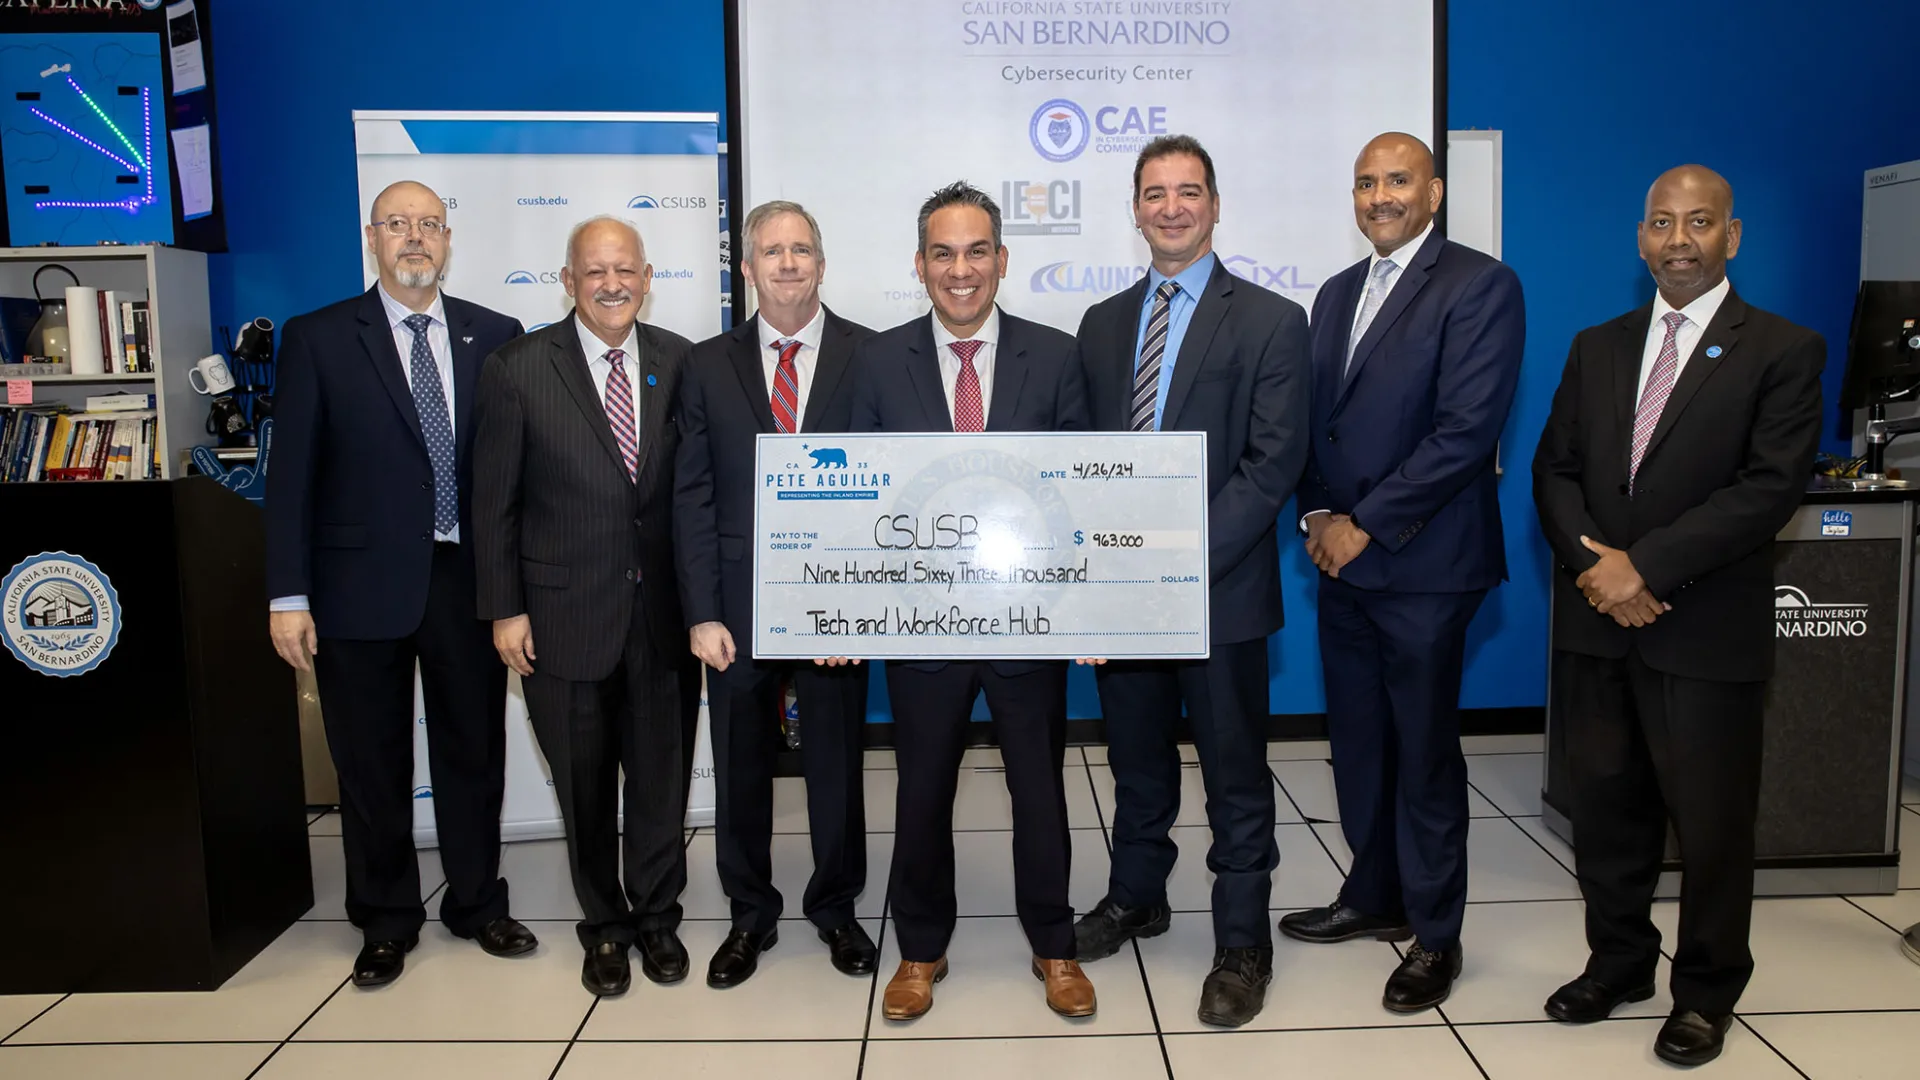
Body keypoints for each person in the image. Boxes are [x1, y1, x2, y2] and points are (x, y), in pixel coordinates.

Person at [1532, 165, 1822, 1067]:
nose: (1680, 239)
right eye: (1662, 222)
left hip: (1702, 628)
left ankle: (1704, 992)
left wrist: (1643, 569)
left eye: (1700, 222)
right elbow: (1555, 472)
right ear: (1641, 238)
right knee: (1607, 812)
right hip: (1596, 624)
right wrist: (1597, 571)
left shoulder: (1782, 349)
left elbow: (1767, 490)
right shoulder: (1598, 346)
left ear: (1732, 237)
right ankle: (1618, 963)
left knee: (1711, 825)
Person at [264, 180, 536, 988]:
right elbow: (291, 480)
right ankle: (385, 918)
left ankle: (478, 904)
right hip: (356, 589)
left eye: (428, 225)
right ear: (372, 238)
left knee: (472, 754)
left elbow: (512, 474)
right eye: (398, 225)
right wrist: (287, 595)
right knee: (370, 765)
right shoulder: (317, 338)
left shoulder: (497, 335)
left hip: (467, 583)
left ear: (447, 239)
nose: (414, 238)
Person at [1069, 135, 1310, 1028]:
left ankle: (1243, 942)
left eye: (1189, 192)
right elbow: (1082, 463)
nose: (1171, 207)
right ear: (1134, 208)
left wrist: (1171, 567)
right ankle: (1139, 895)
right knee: (1135, 765)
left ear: (1215, 205)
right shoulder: (1100, 325)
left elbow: (1272, 463)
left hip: (1221, 592)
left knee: (1236, 777)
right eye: (1155, 192)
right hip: (1121, 599)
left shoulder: (1273, 320)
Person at [1285, 132, 1526, 1015]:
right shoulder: (1336, 292)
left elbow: (1465, 433)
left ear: (1433, 192)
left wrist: (1368, 525)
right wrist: (1316, 514)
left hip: (1424, 564)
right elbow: (1317, 424)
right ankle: (1373, 893)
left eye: (1398, 180)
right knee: (1357, 743)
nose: (1380, 195)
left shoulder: (1480, 285)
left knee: (1422, 754)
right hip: (1339, 561)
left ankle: (1435, 934)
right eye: (1365, 183)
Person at [848, 181, 1096, 1022]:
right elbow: (856, 499)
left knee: (1041, 789)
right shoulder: (875, 362)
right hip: (922, 629)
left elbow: (1079, 499)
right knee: (921, 791)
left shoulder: (1057, 356)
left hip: (1027, 625)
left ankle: (1054, 946)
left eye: (978, 251)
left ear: (1002, 260)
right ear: (919, 265)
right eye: (944, 253)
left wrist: (1092, 613)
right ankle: (920, 950)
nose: (963, 270)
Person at [471, 215, 702, 998]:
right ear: (567, 282)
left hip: (664, 618)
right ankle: (604, 927)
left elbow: (689, 496)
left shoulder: (681, 363)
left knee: (661, 780)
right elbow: (493, 502)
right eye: (595, 271)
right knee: (585, 783)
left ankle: (658, 917)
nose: (613, 284)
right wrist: (505, 608)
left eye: (626, 270)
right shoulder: (516, 368)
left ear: (647, 277)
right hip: (563, 618)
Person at [674, 200, 878, 987]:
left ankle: (836, 908)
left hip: (837, 604)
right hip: (735, 608)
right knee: (740, 767)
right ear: (747, 268)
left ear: (822, 266)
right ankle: (749, 915)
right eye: (772, 251)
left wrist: (861, 603)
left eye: (802, 250)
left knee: (835, 765)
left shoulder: (874, 355)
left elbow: (892, 488)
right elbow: (690, 496)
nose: (788, 263)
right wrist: (700, 611)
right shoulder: (704, 364)